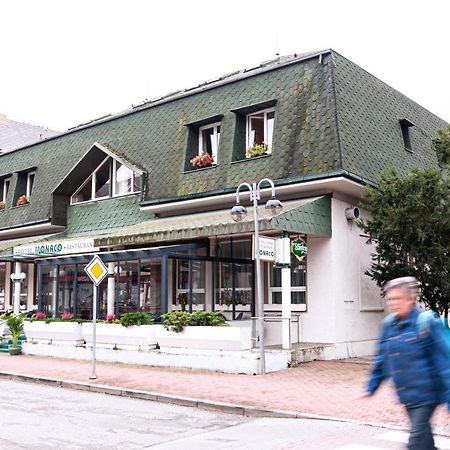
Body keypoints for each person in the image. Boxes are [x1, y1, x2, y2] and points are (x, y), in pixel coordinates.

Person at [364, 276, 450, 450]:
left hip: (428, 395)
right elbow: (382, 359)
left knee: (415, 443)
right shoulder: (389, 325)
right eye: (390, 299)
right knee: (424, 443)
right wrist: (371, 387)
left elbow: (445, 362)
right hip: (407, 396)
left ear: (411, 299)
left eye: (397, 298)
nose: (393, 303)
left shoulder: (426, 322)